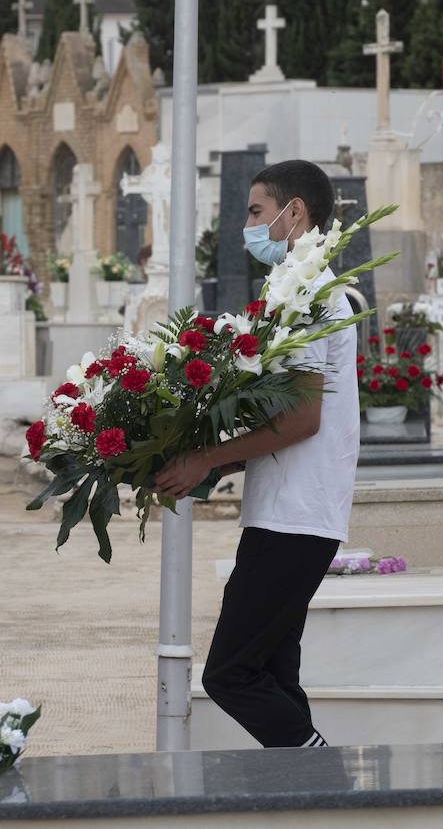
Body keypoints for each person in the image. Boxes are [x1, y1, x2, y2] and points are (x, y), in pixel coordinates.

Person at [154, 160, 356, 749]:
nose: (248, 225)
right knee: (272, 672)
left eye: (256, 211)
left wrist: (209, 458)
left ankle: (325, 775)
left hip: (297, 516)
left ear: (295, 212)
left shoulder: (315, 294)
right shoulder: (293, 288)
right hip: (281, 510)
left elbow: (302, 417)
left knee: (230, 673)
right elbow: (281, 416)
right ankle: (306, 797)